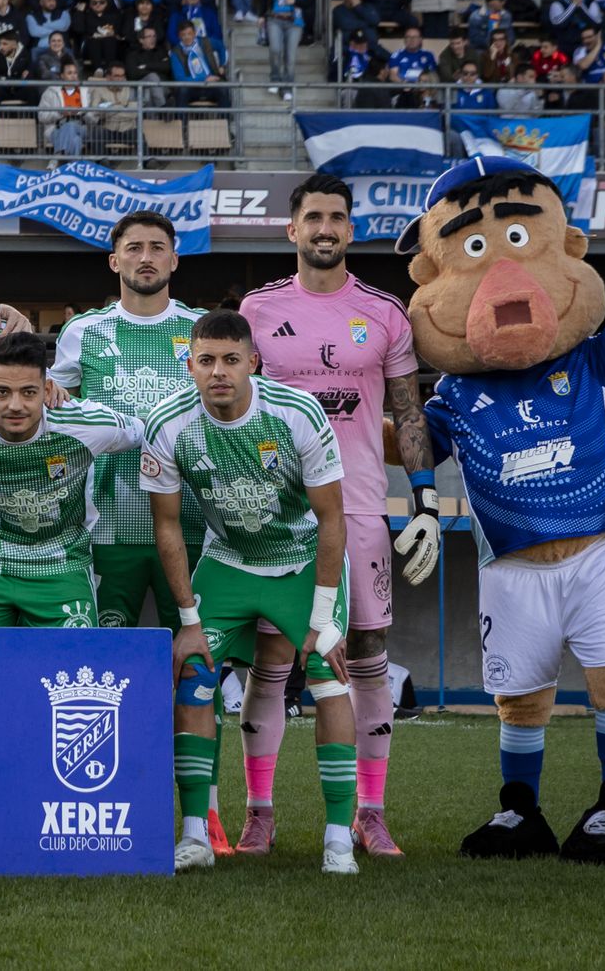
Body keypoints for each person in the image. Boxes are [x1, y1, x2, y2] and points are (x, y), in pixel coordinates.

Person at [235, 173, 437, 860]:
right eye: (314, 217)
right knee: (273, 658)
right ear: (292, 230)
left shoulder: (384, 312)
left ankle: (370, 812)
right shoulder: (257, 309)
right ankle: (259, 811)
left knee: (368, 656)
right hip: (275, 516)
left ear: (351, 230)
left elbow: (409, 412)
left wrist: (427, 501)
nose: (326, 228)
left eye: (338, 218)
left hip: (357, 512)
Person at [142, 307, 358, 874]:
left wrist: (322, 616)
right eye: (206, 360)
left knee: (329, 679)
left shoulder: (296, 412)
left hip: (302, 562)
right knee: (194, 675)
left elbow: (332, 520)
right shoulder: (168, 424)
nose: (219, 371)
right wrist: (188, 619)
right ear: (188, 364)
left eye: (231, 360)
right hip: (230, 562)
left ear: (253, 363)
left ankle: (338, 837)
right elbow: (167, 526)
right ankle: (194, 834)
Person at [0, 331, 143, 627]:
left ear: (48, 389)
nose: (15, 405)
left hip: (62, 563)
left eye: (29, 392)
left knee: (71, 670)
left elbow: (142, 431)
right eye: (2, 392)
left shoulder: (87, 424)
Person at [48, 208, 206, 631]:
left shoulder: (200, 329)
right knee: (109, 656)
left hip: (193, 520)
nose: (146, 257)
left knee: (193, 655)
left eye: (158, 248)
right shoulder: (84, 330)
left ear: (174, 259)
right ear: (115, 261)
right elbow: (50, 401)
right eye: (134, 248)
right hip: (108, 525)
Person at [267, 0, 307, 99]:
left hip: (294, 22)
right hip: (275, 19)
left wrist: (295, 0)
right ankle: (275, 78)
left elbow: (308, 2)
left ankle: (287, 86)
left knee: (290, 57)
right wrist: (261, 15)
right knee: (275, 50)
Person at [39, 58, 95, 157]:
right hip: (56, 128)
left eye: (75, 73)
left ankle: (57, 156)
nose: (73, 76)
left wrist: (83, 112)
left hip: (81, 126)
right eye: (69, 73)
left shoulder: (86, 92)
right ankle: (73, 165)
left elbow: (93, 117)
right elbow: (41, 116)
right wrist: (60, 113)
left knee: (70, 126)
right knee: (75, 140)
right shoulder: (50, 92)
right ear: (62, 76)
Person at [170, 18, 229, 106]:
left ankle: (226, 119)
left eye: (189, 34)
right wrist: (204, 79)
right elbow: (180, 79)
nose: (187, 37)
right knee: (182, 91)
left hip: (211, 84)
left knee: (223, 89)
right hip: (191, 88)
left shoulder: (205, 42)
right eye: (183, 35)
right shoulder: (175, 52)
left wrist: (222, 65)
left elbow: (221, 46)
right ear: (179, 36)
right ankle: (182, 120)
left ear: (194, 33)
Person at [72, 0, 121, 72]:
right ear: (90, 5)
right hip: (91, 46)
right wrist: (79, 12)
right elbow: (78, 29)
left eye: (101, 2)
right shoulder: (86, 15)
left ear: (106, 3)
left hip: (109, 45)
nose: (98, 5)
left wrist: (113, 32)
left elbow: (119, 30)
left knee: (110, 40)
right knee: (94, 41)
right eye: (94, 3)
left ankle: (109, 70)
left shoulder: (113, 16)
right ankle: (97, 69)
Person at [125, 23, 169, 107]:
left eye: (154, 36)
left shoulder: (161, 51)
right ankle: (163, 108)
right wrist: (157, 68)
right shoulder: (133, 54)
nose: (153, 39)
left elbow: (167, 67)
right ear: (141, 40)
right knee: (152, 77)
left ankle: (152, 119)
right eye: (149, 36)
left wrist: (146, 66)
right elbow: (133, 73)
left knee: (149, 92)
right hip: (140, 86)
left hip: (161, 86)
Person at [0, 31, 33, 104]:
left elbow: (29, 76)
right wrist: (18, 79)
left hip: (20, 90)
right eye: (0, 44)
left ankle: (31, 115)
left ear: (15, 45)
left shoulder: (26, 55)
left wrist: (4, 78)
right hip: (3, 91)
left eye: (5, 44)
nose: (1, 47)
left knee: (31, 90)